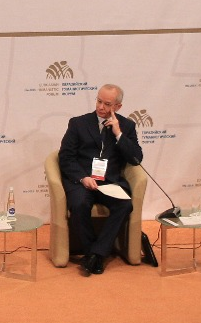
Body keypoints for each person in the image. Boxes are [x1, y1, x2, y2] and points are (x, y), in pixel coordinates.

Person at [58, 83, 143, 275]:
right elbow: (66, 157)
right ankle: (93, 253)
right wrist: (82, 177)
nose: (101, 107)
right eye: (99, 101)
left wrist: (118, 134)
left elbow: (136, 159)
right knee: (79, 204)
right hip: (83, 181)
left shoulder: (127, 126)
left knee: (125, 205)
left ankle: (96, 254)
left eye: (107, 104)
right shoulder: (78, 123)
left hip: (109, 182)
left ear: (118, 107)